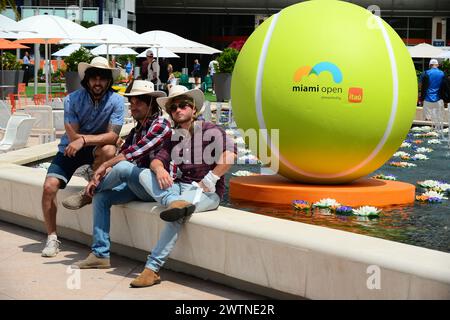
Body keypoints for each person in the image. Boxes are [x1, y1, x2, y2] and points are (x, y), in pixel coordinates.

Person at [130, 85, 236, 287]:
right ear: (170, 113)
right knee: (142, 173)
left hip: (206, 192)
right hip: (178, 188)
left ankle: (152, 269)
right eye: (174, 107)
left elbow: (230, 155)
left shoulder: (211, 130)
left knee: (178, 215)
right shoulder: (173, 136)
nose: (178, 110)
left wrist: (211, 178)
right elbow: (156, 161)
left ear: (193, 109)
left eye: (183, 105)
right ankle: (173, 202)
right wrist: (159, 169)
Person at [70, 80, 172, 270]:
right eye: (131, 101)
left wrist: (103, 167)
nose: (133, 106)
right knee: (101, 197)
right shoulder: (136, 130)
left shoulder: (161, 124)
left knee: (123, 168)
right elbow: (123, 153)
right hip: (137, 185)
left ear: (151, 103)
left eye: (138, 101)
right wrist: (103, 172)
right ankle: (100, 254)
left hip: (154, 186)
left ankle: (87, 194)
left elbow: (134, 153)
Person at [41, 56, 125, 258]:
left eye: (102, 78)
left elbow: (113, 136)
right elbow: (72, 137)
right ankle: (52, 237)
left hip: (94, 148)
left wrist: (85, 141)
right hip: (70, 148)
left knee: (109, 151)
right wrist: (86, 140)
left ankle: (91, 188)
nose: (97, 82)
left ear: (108, 81)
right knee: (48, 187)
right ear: (86, 80)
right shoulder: (72, 99)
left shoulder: (117, 100)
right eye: (93, 78)